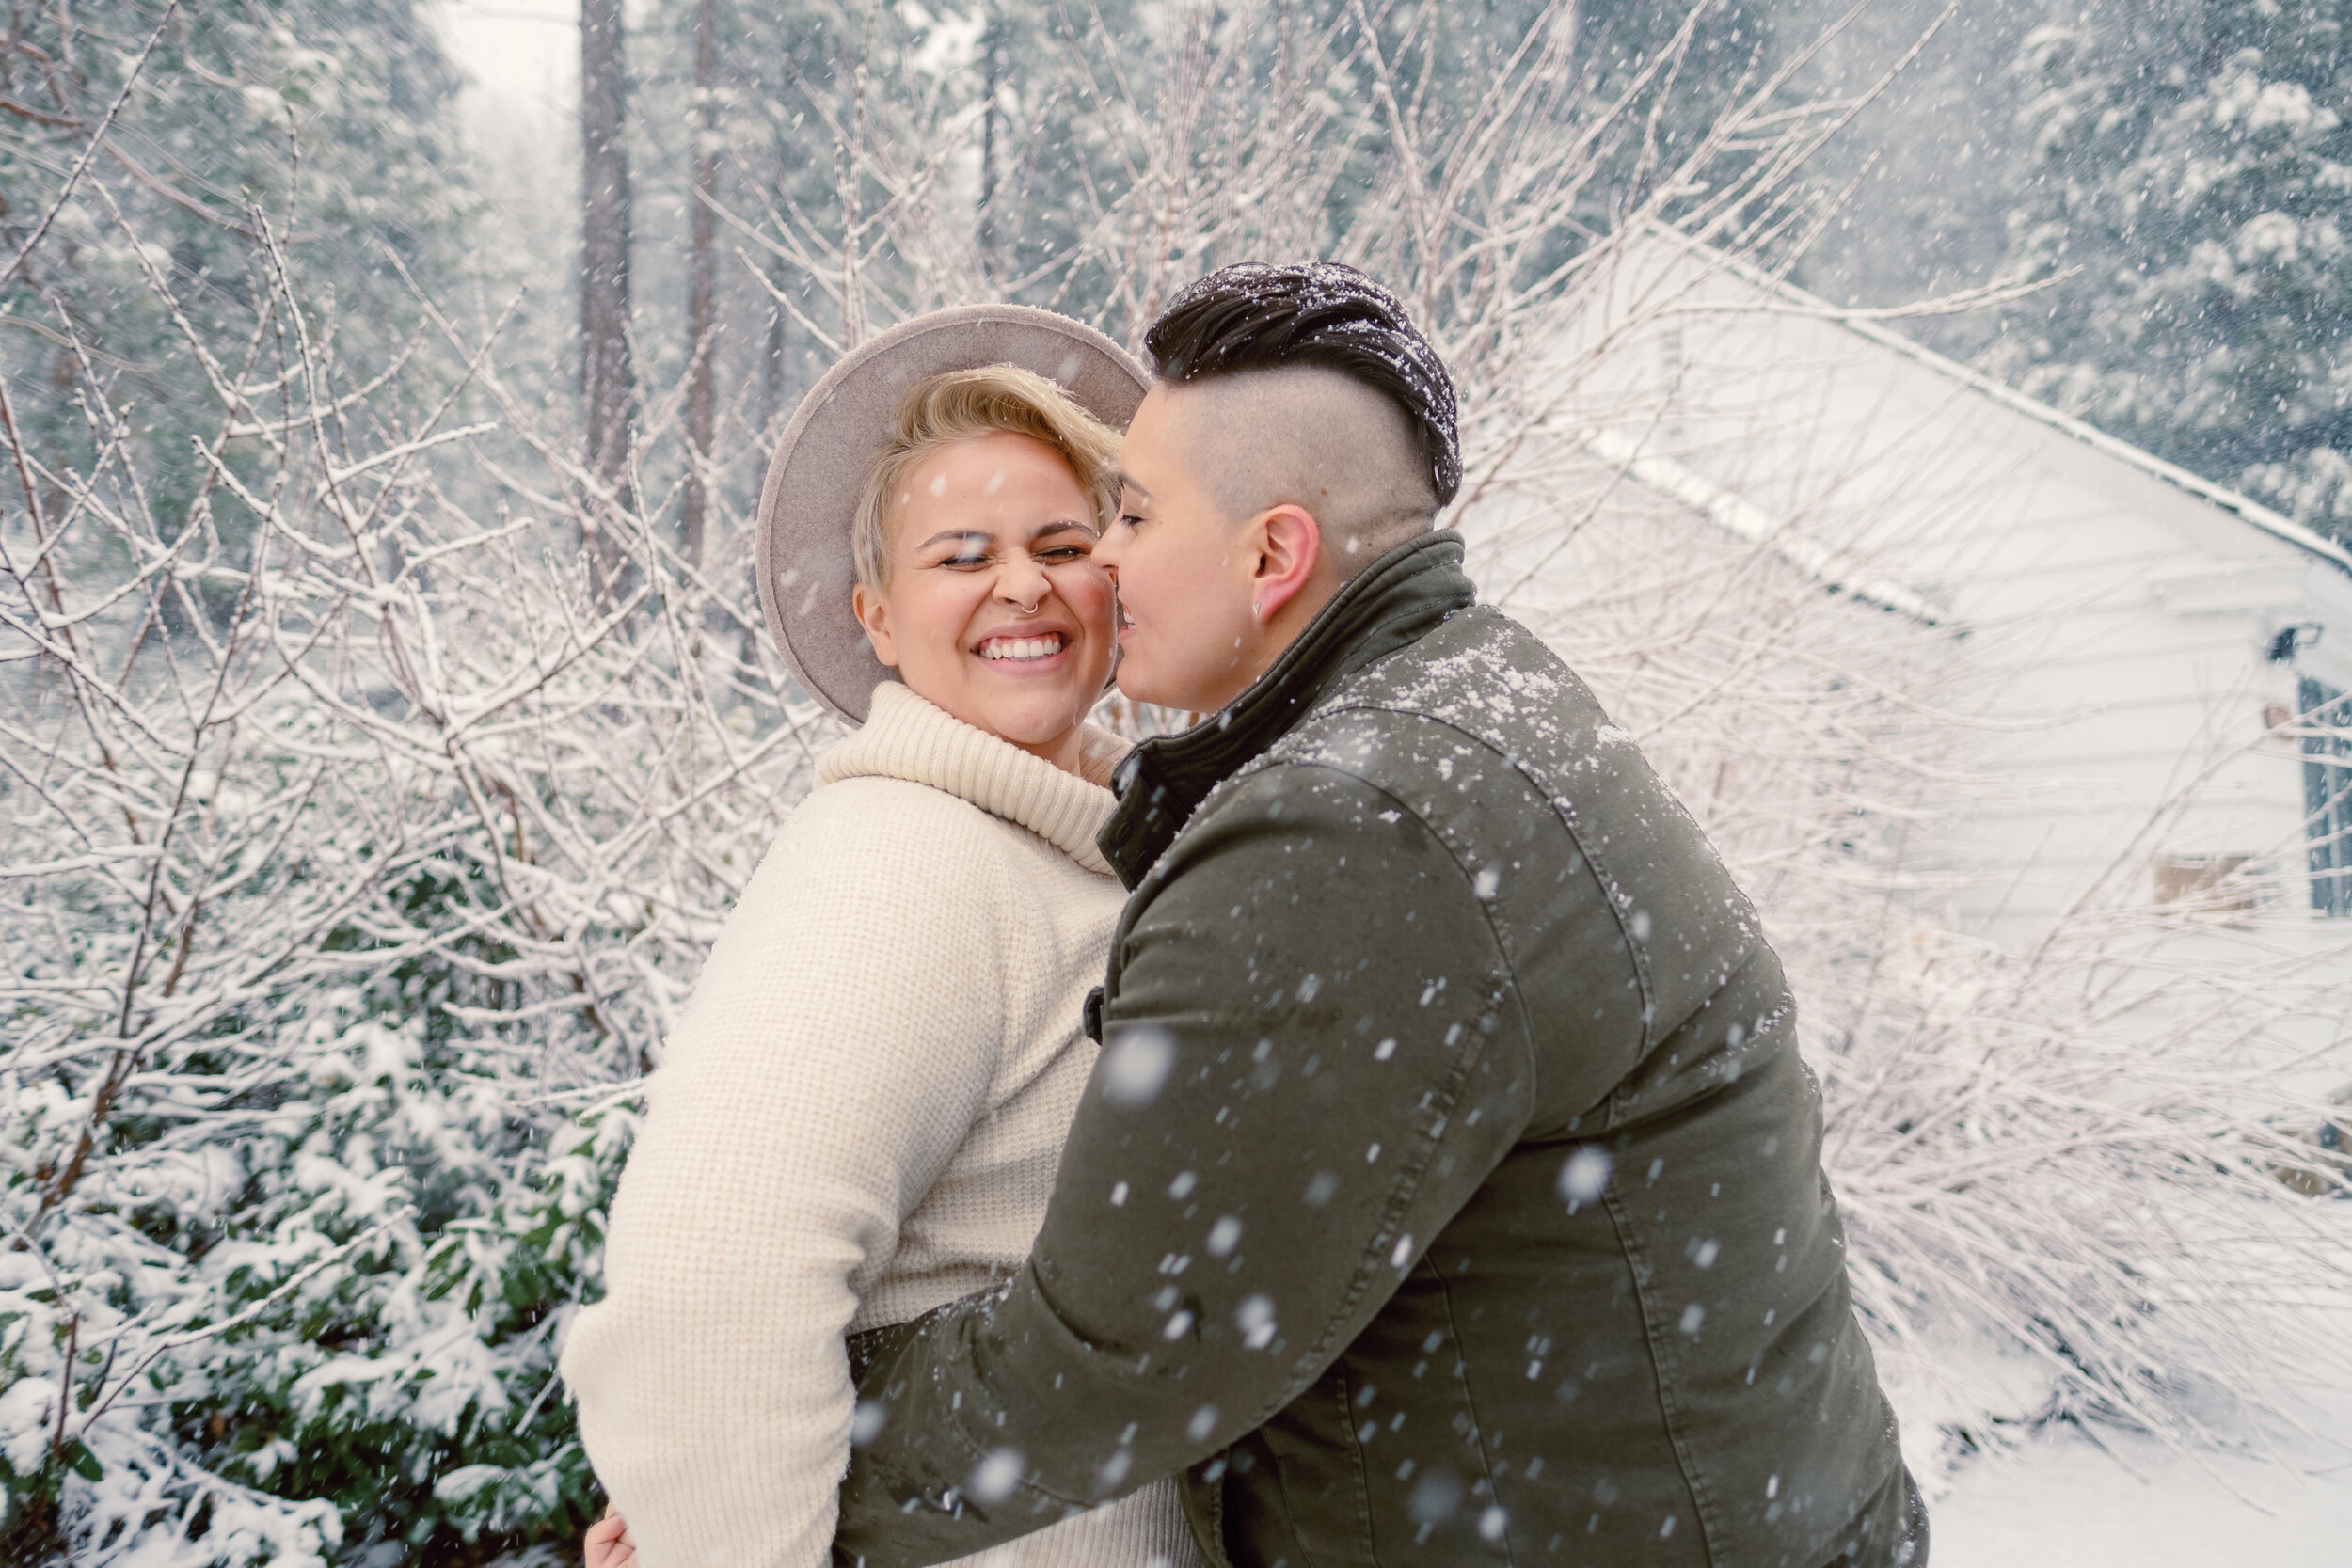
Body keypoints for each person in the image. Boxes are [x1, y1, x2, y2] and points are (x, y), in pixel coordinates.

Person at [829, 264, 1928, 1568]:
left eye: (1132, 515)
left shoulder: (1358, 834)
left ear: (1273, 555)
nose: (1102, 559)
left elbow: (1121, 1353)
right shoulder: (1476, 708)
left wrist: (772, 1465)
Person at [560, 309, 1205, 1568]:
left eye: (1063, 543)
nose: (1023, 583)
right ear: (875, 615)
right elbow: (712, 1287)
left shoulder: (1066, 853)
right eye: (962, 555)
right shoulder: (904, 866)